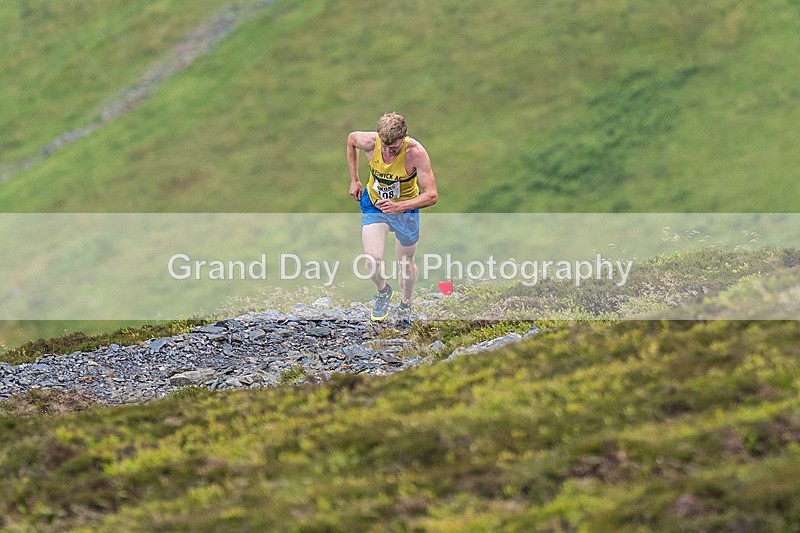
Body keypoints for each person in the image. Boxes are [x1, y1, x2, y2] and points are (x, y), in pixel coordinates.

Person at [347, 112, 438, 326]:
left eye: (394, 149)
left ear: (404, 138)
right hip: (376, 206)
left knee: (405, 264)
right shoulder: (370, 142)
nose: (388, 153)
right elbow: (351, 140)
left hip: (405, 211)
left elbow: (432, 195)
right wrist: (355, 180)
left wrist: (399, 206)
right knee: (371, 261)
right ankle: (383, 292)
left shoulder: (416, 153)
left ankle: (406, 303)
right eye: (385, 147)